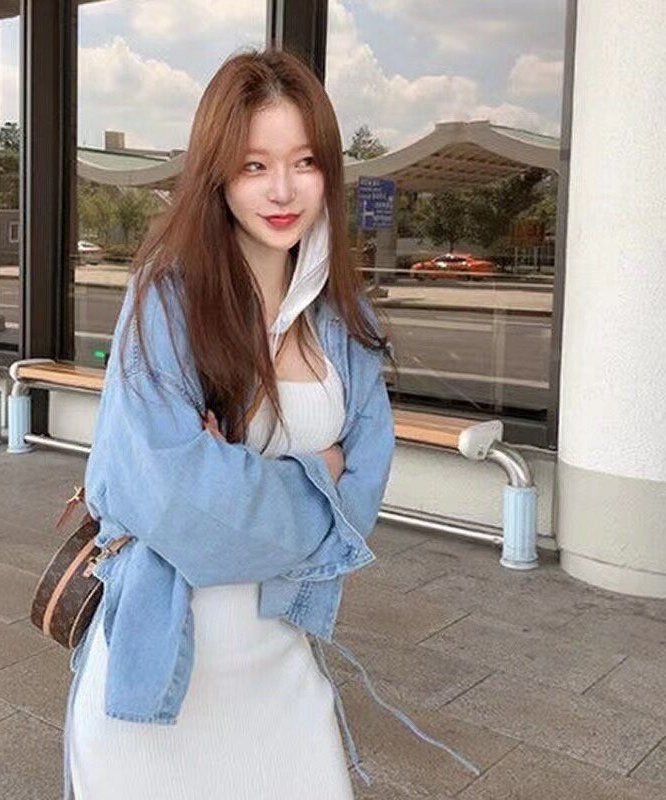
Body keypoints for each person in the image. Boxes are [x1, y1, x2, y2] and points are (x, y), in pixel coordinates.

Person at [63, 47, 479, 799]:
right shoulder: (165, 303)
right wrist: (319, 473)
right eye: (255, 165)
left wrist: (237, 484)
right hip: (161, 677)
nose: (283, 190)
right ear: (216, 173)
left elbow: (364, 495)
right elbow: (176, 505)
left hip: (282, 666)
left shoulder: (343, 317)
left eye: (304, 162)